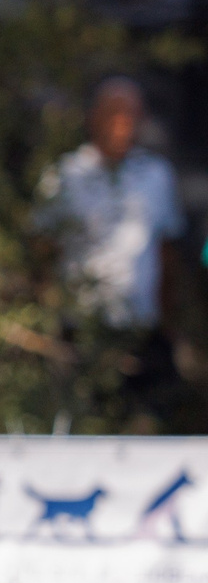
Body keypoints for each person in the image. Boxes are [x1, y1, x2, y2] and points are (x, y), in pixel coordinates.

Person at [38, 77, 186, 416]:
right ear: (94, 118)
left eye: (133, 114)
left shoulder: (156, 175)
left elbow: (167, 252)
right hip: (81, 328)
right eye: (115, 113)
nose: (124, 124)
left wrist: (168, 324)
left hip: (139, 329)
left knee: (146, 421)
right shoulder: (65, 175)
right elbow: (43, 251)